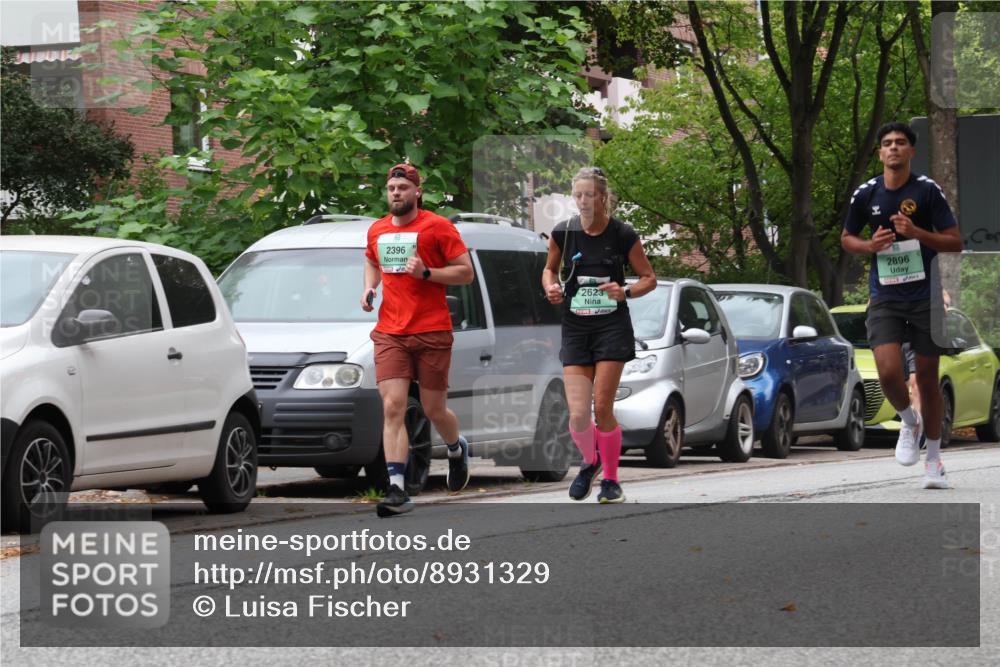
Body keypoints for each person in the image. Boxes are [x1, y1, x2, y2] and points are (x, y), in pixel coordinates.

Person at [842, 122, 963, 489]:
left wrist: (917, 233)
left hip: (925, 297)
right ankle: (909, 423)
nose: (893, 148)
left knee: (927, 379)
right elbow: (848, 237)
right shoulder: (867, 194)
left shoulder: (926, 192)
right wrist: (869, 246)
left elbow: (955, 242)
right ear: (880, 153)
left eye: (900, 143)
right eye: (887, 144)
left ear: (911, 151)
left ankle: (934, 462)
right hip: (885, 298)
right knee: (889, 372)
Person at [361, 164, 475, 516]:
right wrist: (369, 287)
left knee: (433, 409)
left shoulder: (438, 227)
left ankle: (457, 448)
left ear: (417, 192)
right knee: (393, 406)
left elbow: (465, 272)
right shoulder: (377, 230)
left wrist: (428, 273)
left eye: (403, 187)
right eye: (391, 187)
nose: (396, 192)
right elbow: (371, 261)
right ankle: (397, 489)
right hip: (391, 332)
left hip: (431, 330)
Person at [542, 167, 657, 503]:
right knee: (578, 414)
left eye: (589, 195)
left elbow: (648, 277)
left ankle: (611, 480)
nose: (583, 201)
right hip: (576, 327)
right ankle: (589, 462)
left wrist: (627, 292)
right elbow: (550, 269)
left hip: (611, 326)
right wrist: (550, 286)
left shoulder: (622, 233)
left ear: (604, 198)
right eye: (578, 195)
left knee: (602, 405)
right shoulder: (564, 232)